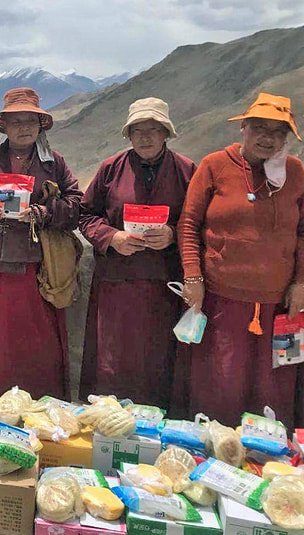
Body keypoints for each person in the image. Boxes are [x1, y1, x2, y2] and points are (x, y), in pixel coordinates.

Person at [177, 93, 304, 427]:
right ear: (243, 128)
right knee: (219, 384)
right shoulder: (215, 165)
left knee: (275, 388)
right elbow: (189, 224)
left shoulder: (296, 172)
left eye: (278, 132)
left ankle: (268, 462)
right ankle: (215, 454)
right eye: (259, 128)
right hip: (222, 299)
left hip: (280, 305)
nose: (268, 137)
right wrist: (193, 277)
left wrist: (301, 283)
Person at [0, 87, 82, 403]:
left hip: (34, 269)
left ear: (41, 125)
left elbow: (77, 204)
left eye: (31, 121)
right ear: (4, 126)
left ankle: (35, 401)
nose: (24, 128)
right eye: (16, 121)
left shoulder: (54, 164)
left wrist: (41, 213)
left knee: (31, 342)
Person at [79, 98, 196, 407]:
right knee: (112, 359)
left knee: (158, 359)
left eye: (153, 129)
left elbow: (199, 221)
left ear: (166, 134)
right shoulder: (110, 169)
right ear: (128, 135)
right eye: (137, 130)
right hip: (116, 285)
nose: (145, 137)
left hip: (164, 287)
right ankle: (108, 420)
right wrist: (112, 236)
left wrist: (172, 234)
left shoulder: (187, 171)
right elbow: (86, 215)